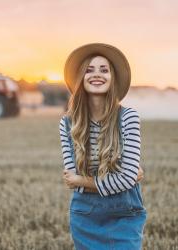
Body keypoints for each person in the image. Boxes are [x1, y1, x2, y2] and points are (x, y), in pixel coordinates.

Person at [59, 43, 147, 250]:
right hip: (85, 215)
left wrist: (84, 179)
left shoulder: (128, 117)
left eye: (103, 70)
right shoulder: (68, 123)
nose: (96, 74)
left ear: (112, 78)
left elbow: (124, 179)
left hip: (124, 212)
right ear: (81, 79)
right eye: (89, 70)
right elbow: (73, 181)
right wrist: (123, 177)